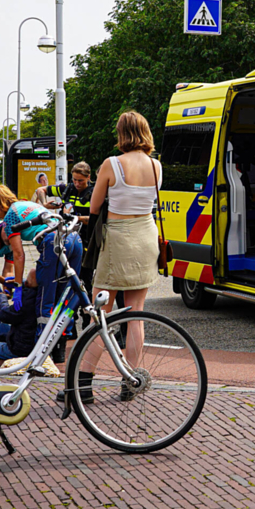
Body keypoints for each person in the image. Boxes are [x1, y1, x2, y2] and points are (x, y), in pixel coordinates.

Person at [81, 111, 162, 400]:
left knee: (100, 315)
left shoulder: (111, 164)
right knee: (135, 314)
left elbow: (94, 207)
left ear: (121, 134)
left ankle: (83, 384)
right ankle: (130, 382)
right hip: (146, 237)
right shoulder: (156, 165)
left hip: (118, 239)